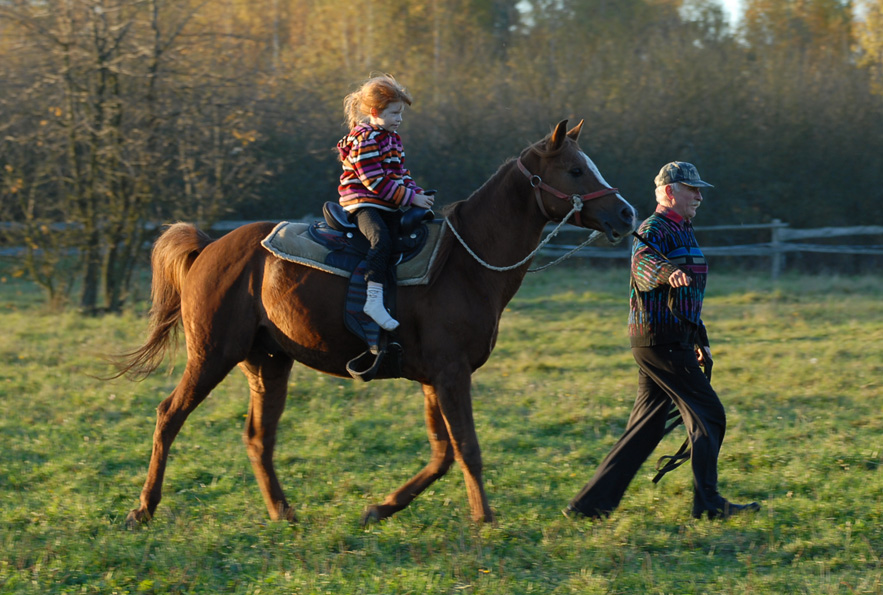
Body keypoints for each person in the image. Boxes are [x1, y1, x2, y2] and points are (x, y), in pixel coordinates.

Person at [564, 162, 760, 520]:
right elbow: (642, 266)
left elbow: (691, 296)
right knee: (709, 416)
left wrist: (700, 338)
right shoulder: (654, 228)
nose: (699, 196)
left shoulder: (684, 230)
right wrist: (668, 273)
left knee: (647, 427)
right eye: (692, 189)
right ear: (670, 192)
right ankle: (709, 505)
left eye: (700, 190)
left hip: (672, 339)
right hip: (660, 340)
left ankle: (589, 506)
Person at [337, 74, 435, 331]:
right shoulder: (365, 140)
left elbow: (401, 175)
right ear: (374, 112)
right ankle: (372, 300)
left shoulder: (393, 140)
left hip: (387, 203)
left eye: (401, 114)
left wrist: (419, 194)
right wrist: (410, 197)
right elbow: (375, 182)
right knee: (380, 239)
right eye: (394, 113)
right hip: (363, 203)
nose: (399, 119)